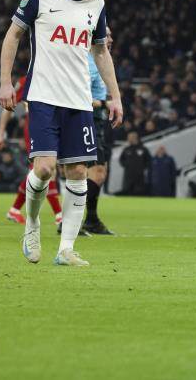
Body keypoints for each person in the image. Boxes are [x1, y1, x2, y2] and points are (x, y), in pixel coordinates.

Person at [0, 0, 123, 266]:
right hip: (42, 96)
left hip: (79, 100)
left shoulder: (97, 5)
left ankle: (66, 249)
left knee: (79, 171)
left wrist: (115, 95)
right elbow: (13, 35)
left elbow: (100, 52)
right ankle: (32, 223)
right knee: (43, 169)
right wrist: (5, 81)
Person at [0, 76, 65, 229]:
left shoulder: (60, 72)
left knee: (37, 171)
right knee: (46, 169)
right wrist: (0, 132)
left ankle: (14, 210)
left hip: (56, 126)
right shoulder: (29, 78)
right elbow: (8, 106)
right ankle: (59, 216)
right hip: (37, 127)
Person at [81, 26, 115, 235]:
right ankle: (77, 219)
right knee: (95, 171)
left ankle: (90, 219)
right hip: (89, 119)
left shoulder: (101, 61)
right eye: (107, 35)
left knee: (99, 172)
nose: (110, 38)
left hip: (99, 120)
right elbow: (81, 97)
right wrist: (104, 103)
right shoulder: (88, 63)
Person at [119, 131, 151, 195]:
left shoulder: (143, 149)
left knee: (139, 193)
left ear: (135, 137)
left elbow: (149, 160)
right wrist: (126, 165)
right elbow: (121, 159)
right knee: (128, 193)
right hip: (128, 176)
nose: (128, 139)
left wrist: (142, 167)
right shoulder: (126, 149)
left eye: (129, 137)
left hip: (139, 177)